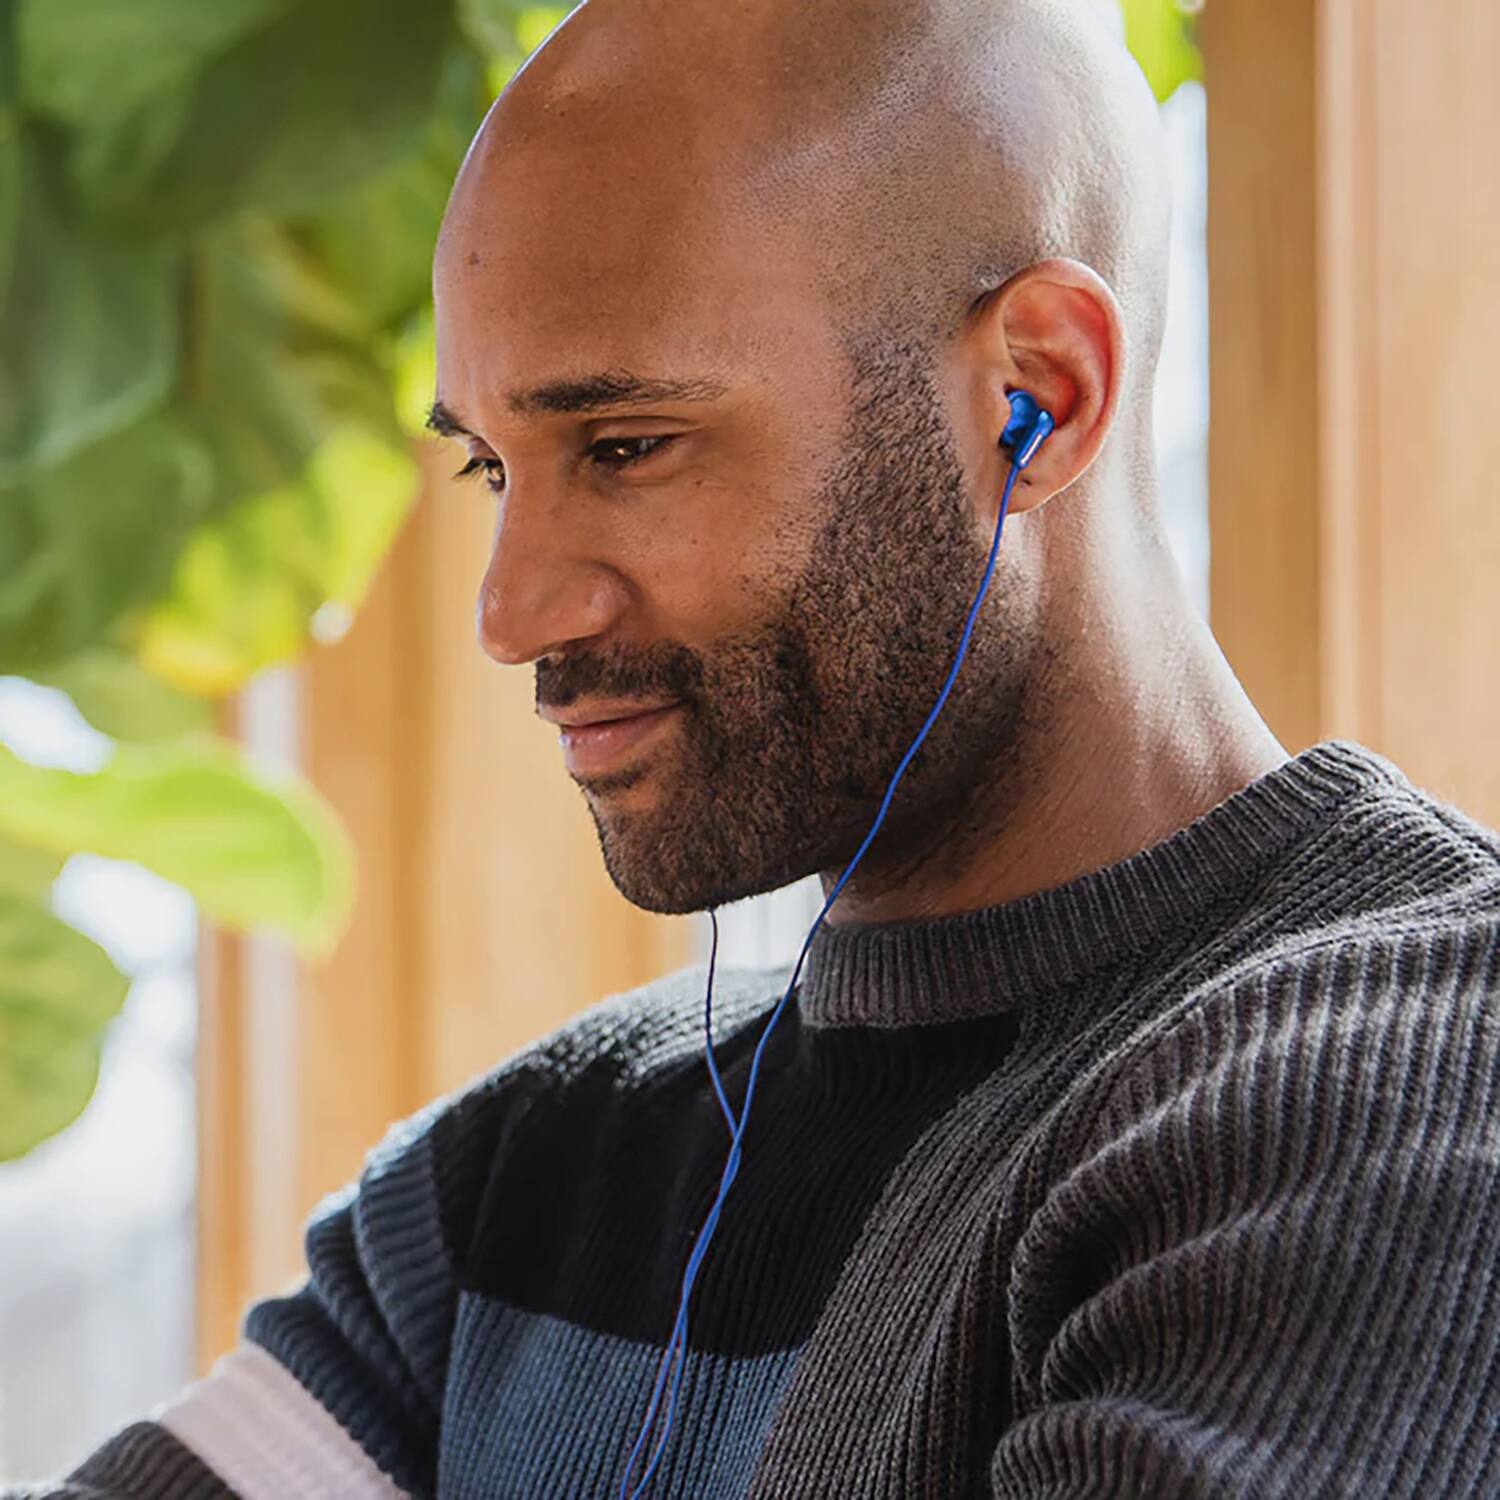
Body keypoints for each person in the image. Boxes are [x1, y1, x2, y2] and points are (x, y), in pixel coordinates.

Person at [21, 0, 1500, 1495]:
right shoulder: (510, 1193)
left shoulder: (1392, 1099)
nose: (514, 612)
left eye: (624, 447)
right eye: (490, 465)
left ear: (1038, 398)